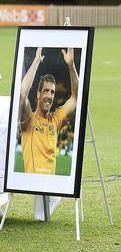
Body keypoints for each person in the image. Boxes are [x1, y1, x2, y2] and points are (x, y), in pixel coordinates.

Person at [18, 47, 78, 175]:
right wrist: (36, 61)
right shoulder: (29, 119)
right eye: (46, 91)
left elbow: (76, 97)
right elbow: (22, 94)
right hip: (33, 185)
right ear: (38, 94)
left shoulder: (56, 119)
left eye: (52, 92)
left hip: (52, 186)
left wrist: (71, 66)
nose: (49, 96)